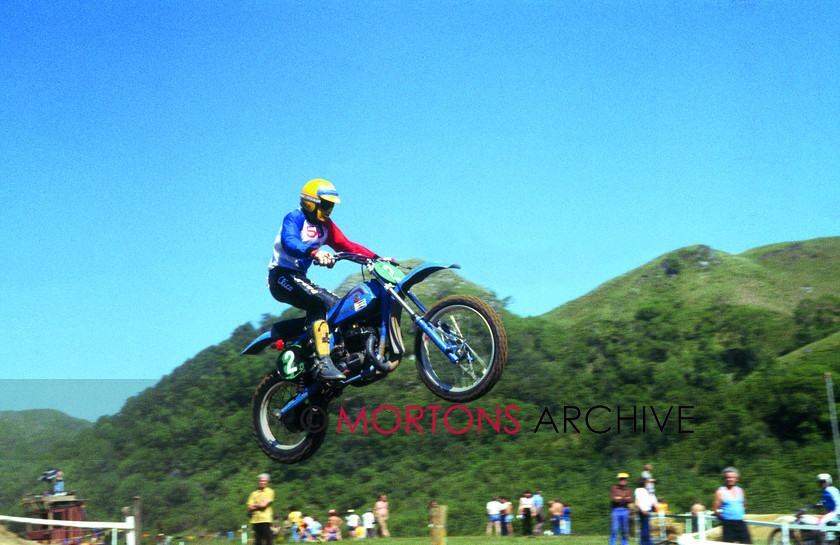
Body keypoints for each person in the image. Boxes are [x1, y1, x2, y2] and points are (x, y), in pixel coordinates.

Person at [267, 179, 381, 381]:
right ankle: (323, 362)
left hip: (300, 278)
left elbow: (347, 246)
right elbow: (289, 241)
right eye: (326, 205)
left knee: (340, 307)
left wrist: (377, 259)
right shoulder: (294, 218)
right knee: (317, 302)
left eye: (332, 206)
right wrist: (314, 252)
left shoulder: (325, 226)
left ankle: (342, 356)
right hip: (281, 276)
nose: (329, 210)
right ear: (311, 203)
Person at [712, 467, 751, 544]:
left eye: (732, 477)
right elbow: (715, 509)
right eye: (728, 477)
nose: (730, 479)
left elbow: (743, 505)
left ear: (736, 479)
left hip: (740, 522)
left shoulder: (740, 490)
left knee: (747, 543)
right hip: (728, 524)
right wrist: (723, 518)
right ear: (725, 479)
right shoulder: (720, 491)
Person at [247, 474, 274, 545]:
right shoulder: (253, 493)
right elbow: (249, 507)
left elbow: (264, 505)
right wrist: (259, 504)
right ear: (258, 482)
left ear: (267, 482)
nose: (262, 482)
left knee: (268, 540)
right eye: (261, 481)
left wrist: (254, 504)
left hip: (265, 519)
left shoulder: (270, 491)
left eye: (264, 481)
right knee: (257, 541)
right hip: (256, 519)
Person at [609, 473, 633, 545]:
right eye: (621, 479)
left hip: (625, 511)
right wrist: (625, 498)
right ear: (618, 480)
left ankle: (625, 544)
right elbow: (614, 499)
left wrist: (619, 498)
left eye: (624, 479)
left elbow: (630, 500)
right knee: (614, 529)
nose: (623, 481)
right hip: (616, 510)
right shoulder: (614, 488)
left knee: (625, 530)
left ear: (626, 480)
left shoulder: (628, 490)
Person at [634, 478, 657, 545]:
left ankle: (646, 541)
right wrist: (642, 510)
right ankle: (645, 542)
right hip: (644, 511)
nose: (647, 484)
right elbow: (637, 503)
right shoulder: (639, 490)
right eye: (646, 483)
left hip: (646, 510)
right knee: (645, 529)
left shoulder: (643, 490)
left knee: (646, 528)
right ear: (644, 483)